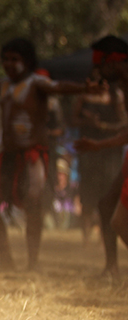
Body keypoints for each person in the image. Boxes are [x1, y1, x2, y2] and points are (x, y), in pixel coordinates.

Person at [0, 38, 104, 271]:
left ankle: (32, 263)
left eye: (14, 59)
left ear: (26, 61)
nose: (8, 64)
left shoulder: (37, 83)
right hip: (7, 155)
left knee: (33, 204)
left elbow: (60, 87)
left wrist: (85, 88)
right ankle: (5, 257)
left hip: (32, 156)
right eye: (5, 59)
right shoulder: (3, 85)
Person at [75, 35, 128, 279]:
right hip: (107, 153)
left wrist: (99, 141)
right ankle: (112, 266)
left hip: (113, 154)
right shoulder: (121, 85)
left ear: (115, 61)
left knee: (114, 214)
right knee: (107, 206)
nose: (98, 70)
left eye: (101, 63)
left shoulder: (122, 89)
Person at [72, 67, 127, 245]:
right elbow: (72, 119)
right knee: (88, 194)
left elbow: (124, 123)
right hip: (89, 150)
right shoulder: (83, 95)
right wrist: (87, 122)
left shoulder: (116, 95)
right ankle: (86, 236)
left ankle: (105, 237)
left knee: (109, 195)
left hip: (110, 153)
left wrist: (103, 127)